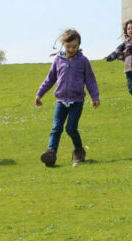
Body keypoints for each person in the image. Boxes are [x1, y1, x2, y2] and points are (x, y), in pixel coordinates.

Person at [36, 29, 99, 168]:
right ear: (63, 44)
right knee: (56, 128)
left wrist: (95, 96)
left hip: (76, 101)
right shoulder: (58, 60)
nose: (71, 49)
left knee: (71, 128)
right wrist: (39, 94)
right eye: (68, 46)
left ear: (79, 45)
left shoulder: (83, 61)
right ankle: (51, 154)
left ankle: (79, 151)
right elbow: (50, 79)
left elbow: (90, 80)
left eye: (74, 47)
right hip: (61, 101)